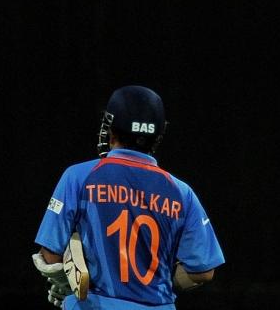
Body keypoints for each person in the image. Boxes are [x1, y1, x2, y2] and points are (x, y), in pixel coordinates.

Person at [32, 85, 225, 309]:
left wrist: (69, 286)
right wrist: (161, 284)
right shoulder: (182, 193)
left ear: (110, 130)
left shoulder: (79, 176)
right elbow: (203, 271)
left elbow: (50, 254)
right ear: (159, 134)